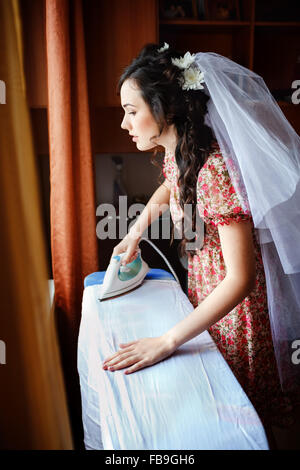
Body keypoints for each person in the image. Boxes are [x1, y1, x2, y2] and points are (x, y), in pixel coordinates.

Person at [102, 43, 300, 431]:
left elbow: (241, 279)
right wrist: (135, 233)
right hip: (204, 299)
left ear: (165, 110)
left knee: (242, 423)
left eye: (131, 112)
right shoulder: (185, 155)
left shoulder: (215, 171)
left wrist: (166, 341)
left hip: (235, 318)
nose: (124, 124)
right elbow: (170, 188)